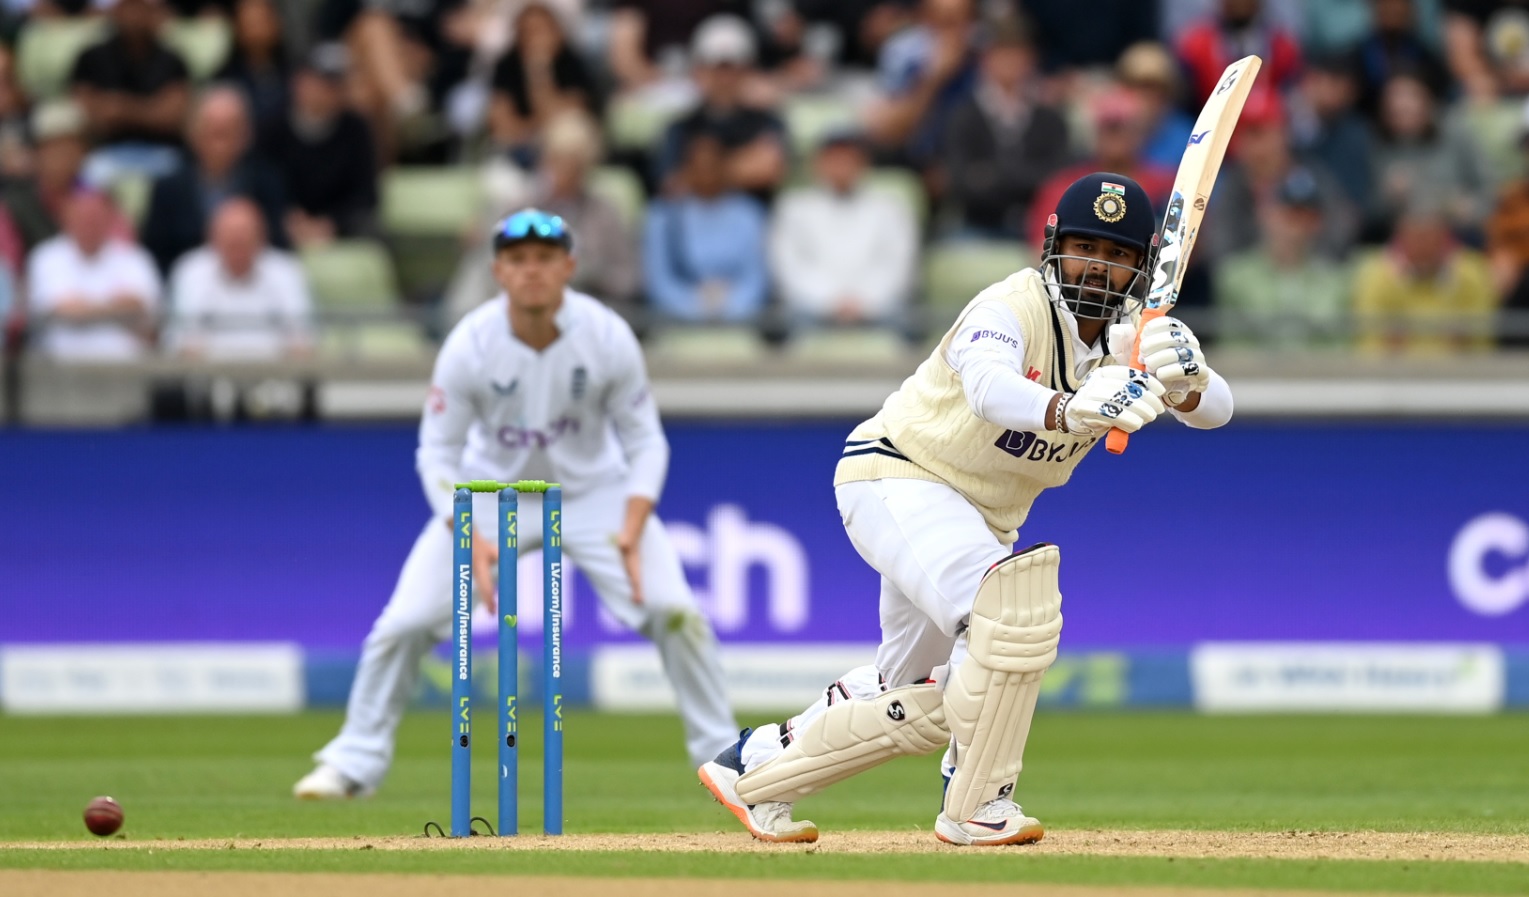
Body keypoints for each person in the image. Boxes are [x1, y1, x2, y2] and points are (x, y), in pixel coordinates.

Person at [697, 172, 1233, 845]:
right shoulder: (1007, 305)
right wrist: (1067, 408)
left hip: (976, 517)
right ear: (1051, 247)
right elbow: (985, 389)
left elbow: (1216, 413)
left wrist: (1189, 380)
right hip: (899, 475)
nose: (1097, 265)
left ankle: (752, 768)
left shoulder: (1131, 340)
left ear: (1138, 266)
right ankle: (976, 803)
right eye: (1083, 246)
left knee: (913, 690)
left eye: (1117, 253)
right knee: (1008, 614)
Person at [294, 208, 738, 799]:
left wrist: (633, 524)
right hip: (485, 496)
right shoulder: (470, 344)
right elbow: (437, 452)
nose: (533, 272)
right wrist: (464, 529)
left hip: (593, 495)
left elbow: (646, 441)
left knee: (679, 614)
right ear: (499, 270)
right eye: (519, 260)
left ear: (568, 267)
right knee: (403, 624)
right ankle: (353, 762)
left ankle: (726, 760)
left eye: (545, 259)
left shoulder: (606, 335)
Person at [769, 131, 917, 326]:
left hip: (879, 311)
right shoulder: (793, 209)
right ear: (817, 164)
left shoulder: (891, 209)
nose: (841, 166)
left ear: (863, 163)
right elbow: (790, 268)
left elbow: (898, 267)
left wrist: (863, 303)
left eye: (848, 159)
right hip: (810, 312)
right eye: (834, 159)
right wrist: (831, 302)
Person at [941, 18, 1071, 239]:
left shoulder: (1050, 118)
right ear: (984, 59)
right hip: (977, 225)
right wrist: (1025, 177)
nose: (1010, 62)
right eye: (1001, 52)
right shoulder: (963, 115)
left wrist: (992, 175)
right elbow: (959, 181)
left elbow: (1058, 177)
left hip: (1038, 227)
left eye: (1017, 53)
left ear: (1031, 58)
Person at [140, 86, 288, 273]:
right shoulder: (168, 188)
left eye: (229, 134)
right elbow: (154, 256)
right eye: (214, 134)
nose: (221, 146)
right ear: (193, 134)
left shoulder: (266, 183)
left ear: (245, 136)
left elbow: (278, 248)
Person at [1214, 167, 1354, 347]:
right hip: (1253, 375)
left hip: (1319, 374)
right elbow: (1232, 349)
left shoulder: (1335, 282)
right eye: (1289, 213)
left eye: (1308, 216)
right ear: (1265, 212)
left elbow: (1340, 351)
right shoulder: (1235, 277)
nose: (1298, 225)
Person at [653, 15, 789, 199]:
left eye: (732, 68)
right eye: (717, 68)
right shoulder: (680, 127)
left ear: (748, 70)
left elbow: (769, 169)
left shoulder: (768, 122)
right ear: (699, 70)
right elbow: (671, 185)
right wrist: (742, 166)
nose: (724, 79)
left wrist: (703, 167)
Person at [164, 198, 314, 360]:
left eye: (244, 241)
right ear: (213, 238)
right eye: (231, 243)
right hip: (207, 378)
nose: (238, 251)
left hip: (276, 376)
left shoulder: (286, 270)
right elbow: (179, 342)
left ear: (261, 238)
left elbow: (303, 340)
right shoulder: (190, 271)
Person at [262, 44, 380, 247]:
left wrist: (330, 223)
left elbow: (366, 194)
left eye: (338, 83)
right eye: (324, 82)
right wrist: (288, 217)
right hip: (283, 228)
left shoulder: (356, 129)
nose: (332, 91)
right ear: (299, 82)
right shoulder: (272, 128)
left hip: (341, 229)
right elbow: (261, 182)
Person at [643, 134, 769, 323]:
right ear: (685, 169)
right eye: (698, 166)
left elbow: (756, 279)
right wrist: (695, 307)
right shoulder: (662, 216)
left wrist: (730, 307)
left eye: (713, 166)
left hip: (741, 320)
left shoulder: (749, 214)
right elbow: (658, 282)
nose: (706, 173)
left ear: (726, 167)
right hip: (675, 321)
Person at [25, 188, 161, 362]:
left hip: (126, 370)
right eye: (83, 219)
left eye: (95, 219)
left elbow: (143, 312)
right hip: (60, 371)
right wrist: (118, 309)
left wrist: (83, 307)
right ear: (67, 219)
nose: (89, 225)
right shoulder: (45, 257)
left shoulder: (135, 258)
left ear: (110, 219)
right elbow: (61, 310)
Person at [1353, 200, 1497, 353]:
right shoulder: (1376, 276)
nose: (1423, 247)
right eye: (1416, 238)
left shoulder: (1471, 273)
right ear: (1401, 237)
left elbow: (1483, 344)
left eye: (1430, 238)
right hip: (1393, 375)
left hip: (1460, 375)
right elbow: (1369, 346)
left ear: (1444, 237)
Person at [69, 0, 191, 174]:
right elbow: (90, 115)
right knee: (92, 174)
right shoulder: (91, 58)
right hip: (106, 153)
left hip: (163, 152)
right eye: (128, 7)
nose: (133, 15)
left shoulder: (173, 60)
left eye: (140, 7)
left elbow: (172, 116)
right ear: (115, 10)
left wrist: (122, 108)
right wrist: (150, 109)